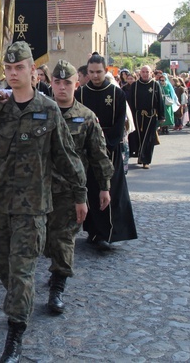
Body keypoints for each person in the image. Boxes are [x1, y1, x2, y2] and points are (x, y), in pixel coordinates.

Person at [0, 42, 87, 363]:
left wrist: (80, 194)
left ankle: (15, 334)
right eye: (8, 69)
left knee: (22, 272)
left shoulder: (48, 110)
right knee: (3, 266)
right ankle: (20, 302)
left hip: (33, 207)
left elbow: (66, 156)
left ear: (33, 72)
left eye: (19, 68)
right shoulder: (1, 109)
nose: (12, 74)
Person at [45, 60, 112, 314]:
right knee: (45, 240)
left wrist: (104, 186)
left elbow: (99, 155)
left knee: (63, 239)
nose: (62, 88)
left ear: (77, 84)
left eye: (67, 83)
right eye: (57, 82)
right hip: (38, 190)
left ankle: (57, 287)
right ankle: (54, 270)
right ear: (51, 83)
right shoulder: (40, 111)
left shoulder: (86, 117)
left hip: (70, 191)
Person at [76, 54, 138, 250]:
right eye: (92, 72)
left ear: (106, 71)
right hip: (87, 153)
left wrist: (104, 143)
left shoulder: (117, 94)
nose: (95, 76)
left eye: (99, 72)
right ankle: (93, 231)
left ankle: (111, 232)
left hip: (110, 151)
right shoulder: (81, 94)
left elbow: (120, 124)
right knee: (91, 192)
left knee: (113, 192)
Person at [126, 65, 164, 169]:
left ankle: (146, 160)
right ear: (140, 73)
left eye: (147, 72)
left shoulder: (155, 85)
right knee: (138, 137)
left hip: (150, 115)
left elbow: (160, 101)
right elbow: (130, 102)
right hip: (137, 115)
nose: (145, 74)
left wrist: (161, 116)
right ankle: (140, 155)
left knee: (149, 139)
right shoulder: (135, 85)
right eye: (143, 72)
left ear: (151, 73)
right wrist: (129, 116)